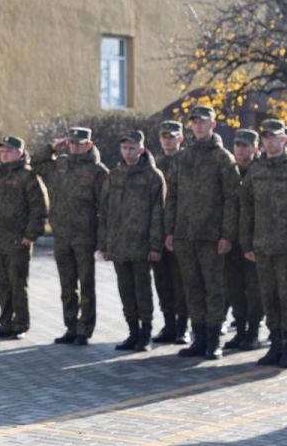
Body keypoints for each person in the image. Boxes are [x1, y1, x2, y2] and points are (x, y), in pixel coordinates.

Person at [239, 119, 287, 368]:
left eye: (274, 136)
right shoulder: (256, 171)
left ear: (284, 139)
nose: (269, 141)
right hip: (263, 246)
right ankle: (275, 345)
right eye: (265, 137)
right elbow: (246, 209)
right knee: (269, 297)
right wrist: (246, 242)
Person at [165, 105, 240, 360]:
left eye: (203, 122)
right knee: (192, 288)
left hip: (211, 236)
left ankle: (214, 340)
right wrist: (170, 231)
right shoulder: (183, 157)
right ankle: (198, 338)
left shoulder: (223, 158)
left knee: (214, 289)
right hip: (185, 235)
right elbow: (172, 197)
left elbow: (232, 200)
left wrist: (227, 235)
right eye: (195, 122)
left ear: (213, 124)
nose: (198, 126)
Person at [32, 127, 108, 346]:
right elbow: (36, 164)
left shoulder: (98, 171)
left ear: (89, 145)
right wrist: (52, 147)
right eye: (71, 143)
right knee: (67, 286)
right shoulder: (59, 165)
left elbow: (105, 208)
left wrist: (102, 239)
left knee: (86, 285)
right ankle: (71, 327)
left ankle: (85, 329)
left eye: (79, 143)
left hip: (85, 236)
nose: (74, 147)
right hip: (62, 235)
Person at [0, 136, 49, 340]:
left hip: (17, 241)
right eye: (2, 151)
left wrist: (30, 236)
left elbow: (39, 209)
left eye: (9, 151)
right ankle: (5, 323)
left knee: (17, 285)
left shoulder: (28, 176)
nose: (4, 155)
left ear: (19, 153)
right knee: (1, 285)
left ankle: (21, 324)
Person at [100, 131, 165, 352]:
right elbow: (105, 211)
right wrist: (105, 244)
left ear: (141, 149)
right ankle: (132, 332)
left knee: (142, 290)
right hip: (119, 245)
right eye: (124, 148)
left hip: (141, 245)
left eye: (132, 148)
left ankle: (145, 334)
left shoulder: (153, 176)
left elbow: (158, 214)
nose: (127, 152)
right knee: (125, 290)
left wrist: (155, 245)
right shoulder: (114, 175)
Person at [223, 129, 264, 350]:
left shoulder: (262, 171)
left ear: (255, 148)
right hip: (232, 240)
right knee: (235, 288)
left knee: (255, 289)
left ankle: (253, 332)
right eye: (237, 145)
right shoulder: (229, 171)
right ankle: (240, 331)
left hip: (256, 239)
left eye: (245, 146)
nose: (240, 150)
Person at [152, 120, 189, 344]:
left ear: (180, 138)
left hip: (180, 230)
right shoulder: (154, 164)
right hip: (158, 231)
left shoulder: (187, 162)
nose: (168, 140)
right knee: (163, 281)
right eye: (164, 136)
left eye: (172, 136)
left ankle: (183, 327)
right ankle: (169, 325)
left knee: (181, 281)